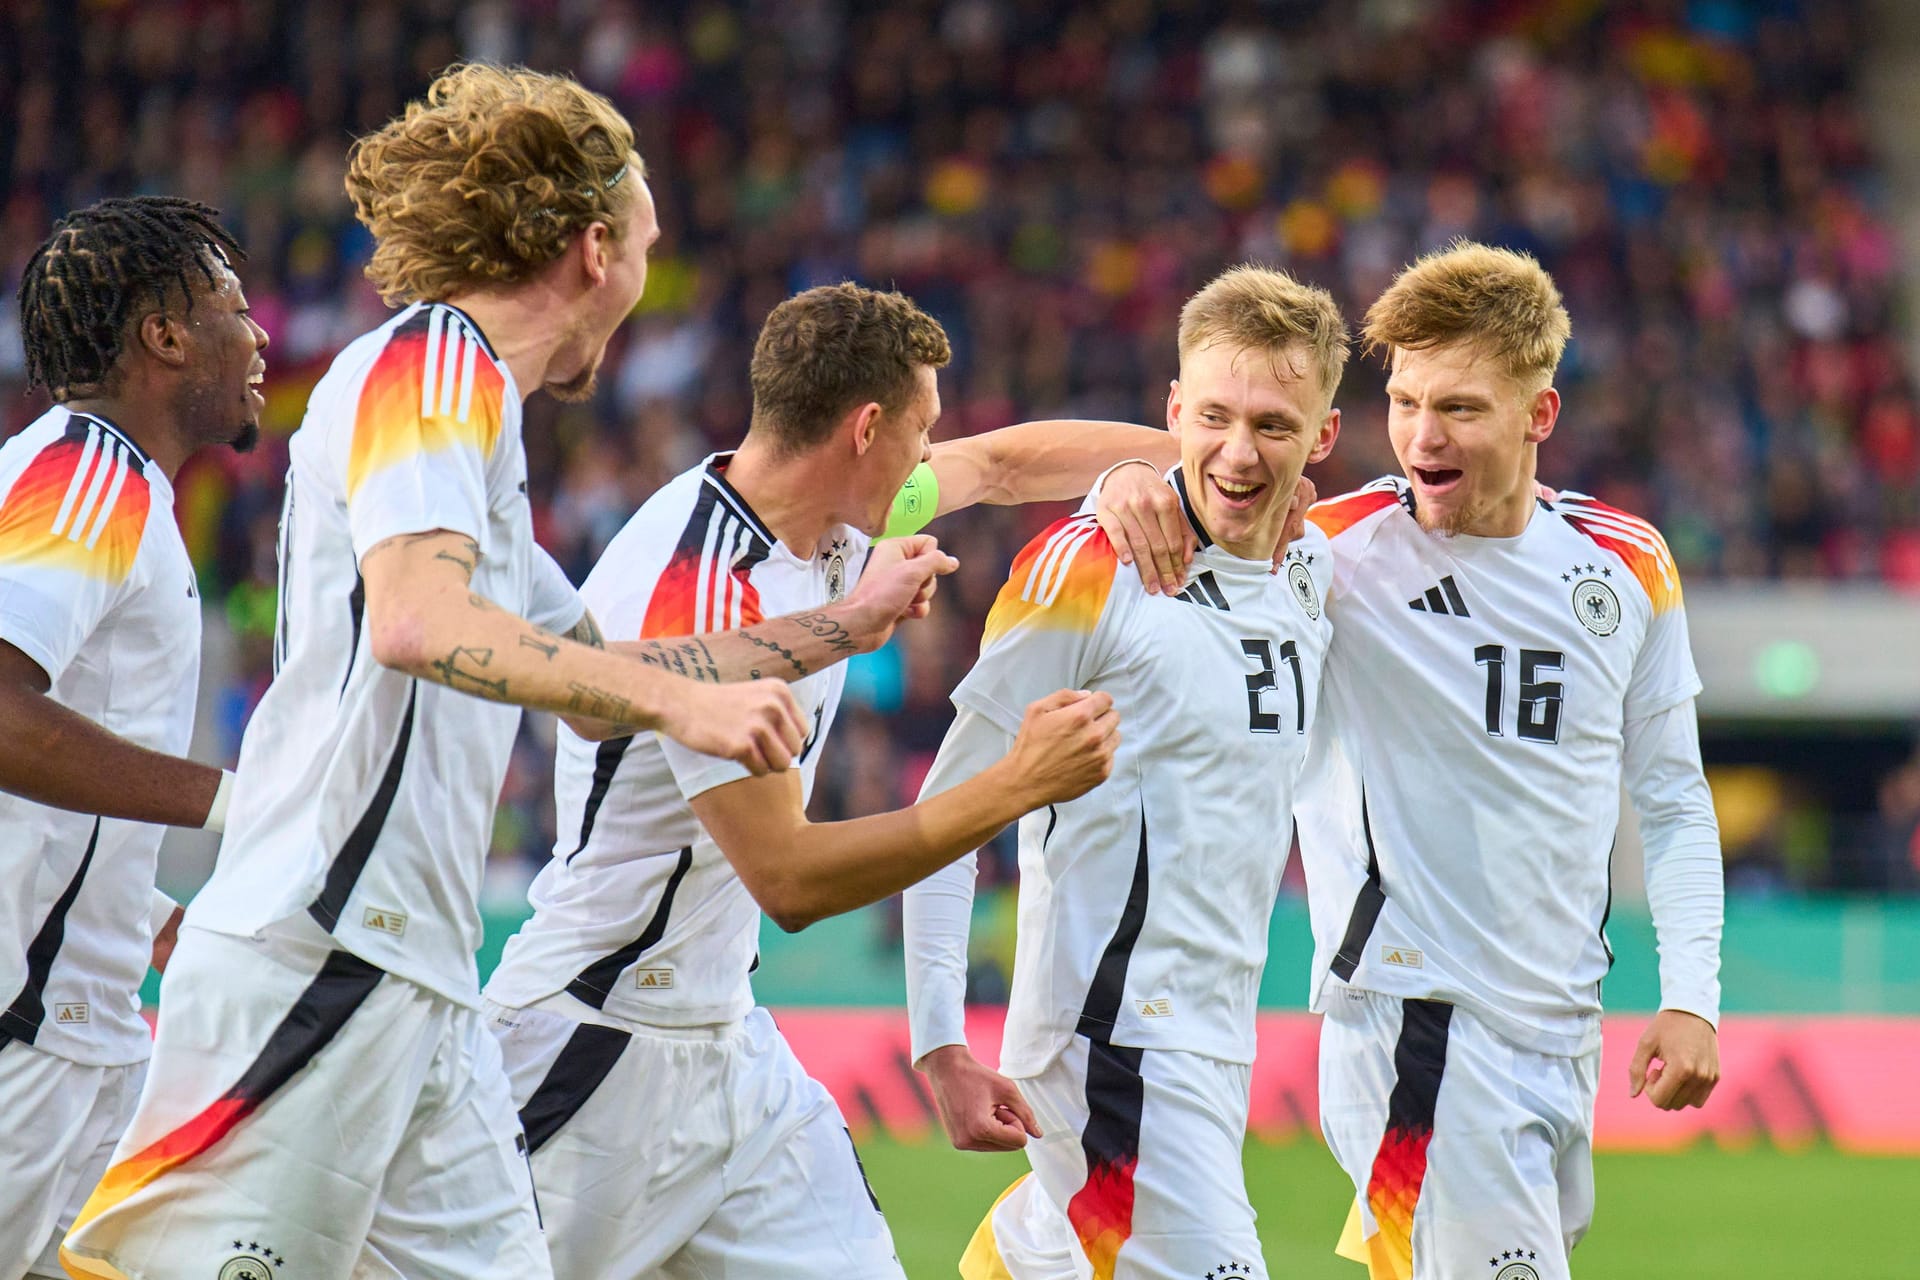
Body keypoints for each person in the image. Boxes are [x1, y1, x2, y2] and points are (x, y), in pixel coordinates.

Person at [60, 66, 947, 1280]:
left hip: (424, 985)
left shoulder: (484, 431)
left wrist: (841, 624)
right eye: (644, 244)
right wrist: (687, 699)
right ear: (593, 251)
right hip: (317, 954)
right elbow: (421, 623)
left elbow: (599, 667)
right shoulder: (434, 364)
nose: (644, 276)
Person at [481, 280, 1182, 1278]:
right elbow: (793, 878)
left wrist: (1175, 470)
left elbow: (1010, 459)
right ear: (866, 429)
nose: (932, 453)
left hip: (729, 1047)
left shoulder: (832, 518)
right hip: (591, 1047)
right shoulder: (701, 591)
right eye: (921, 427)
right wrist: (1017, 783)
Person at [1095, 242, 1723, 1280]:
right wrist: (1120, 475)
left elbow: (1673, 796)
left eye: (1463, 408)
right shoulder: (1327, 552)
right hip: (1412, 1025)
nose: (1424, 436)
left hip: (1560, 1030)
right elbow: (1211, 466)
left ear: (1541, 415)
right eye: (1406, 401)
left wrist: (1693, 992)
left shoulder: (1627, 564)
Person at [903, 265, 1348, 1280]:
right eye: (1216, 418)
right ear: (1172, 414)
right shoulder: (1089, 568)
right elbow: (949, 809)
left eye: (1275, 425)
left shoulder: (1315, 567)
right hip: (1112, 1041)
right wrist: (940, 1041)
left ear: (1322, 437)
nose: (1239, 452)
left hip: (1211, 1039)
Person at [0, 197, 264, 1280]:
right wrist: (239, 800)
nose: (259, 336)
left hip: (88, 1032)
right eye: (235, 309)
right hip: (30, 1041)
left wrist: (135, 905)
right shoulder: (87, 474)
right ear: (162, 334)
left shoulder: (102, 480)